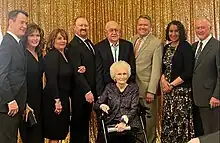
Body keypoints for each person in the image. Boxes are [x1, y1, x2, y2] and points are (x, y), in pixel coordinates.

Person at [160, 20, 194, 143]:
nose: (173, 34)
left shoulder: (186, 47)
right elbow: (162, 69)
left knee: (180, 123)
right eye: (171, 31)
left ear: (181, 32)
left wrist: (171, 85)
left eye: (176, 31)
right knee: (169, 122)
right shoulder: (166, 47)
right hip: (168, 93)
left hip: (181, 93)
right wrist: (164, 82)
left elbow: (188, 72)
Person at [130, 15, 162, 143]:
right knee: (134, 120)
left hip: (147, 89)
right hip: (132, 89)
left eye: (145, 25)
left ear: (150, 27)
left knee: (149, 121)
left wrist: (152, 91)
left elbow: (156, 69)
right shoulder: (132, 40)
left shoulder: (156, 43)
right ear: (137, 26)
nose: (142, 27)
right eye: (140, 25)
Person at [94, 61, 139, 143]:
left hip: (129, 122)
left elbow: (134, 109)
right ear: (114, 76)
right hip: (112, 121)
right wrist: (102, 106)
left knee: (125, 137)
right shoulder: (109, 88)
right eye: (119, 74)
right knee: (103, 138)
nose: (122, 77)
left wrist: (123, 122)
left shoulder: (134, 88)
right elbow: (96, 105)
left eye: (124, 74)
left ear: (128, 75)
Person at [0, 10, 28, 143]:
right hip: (7, 107)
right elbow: (1, 75)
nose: (24, 26)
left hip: (16, 105)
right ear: (11, 22)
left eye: (26, 23)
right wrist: (10, 100)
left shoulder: (17, 43)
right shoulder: (7, 44)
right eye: (21, 22)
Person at [68, 16, 96, 143]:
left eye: (85, 25)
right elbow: (76, 72)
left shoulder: (89, 43)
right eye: (80, 25)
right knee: (78, 124)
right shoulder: (73, 46)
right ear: (74, 28)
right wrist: (87, 91)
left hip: (89, 91)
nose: (83, 28)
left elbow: (90, 65)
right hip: (80, 93)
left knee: (85, 123)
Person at [43, 29, 72, 143]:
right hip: (54, 98)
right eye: (59, 38)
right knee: (55, 133)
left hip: (63, 97)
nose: (63, 41)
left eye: (64, 38)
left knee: (60, 132)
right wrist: (57, 100)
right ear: (53, 40)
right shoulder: (52, 55)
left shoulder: (65, 55)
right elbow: (52, 80)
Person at [192, 17, 220, 135]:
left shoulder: (217, 46)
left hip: (211, 99)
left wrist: (216, 96)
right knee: (201, 133)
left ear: (210, 28)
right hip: (195, 99)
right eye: (197, 28)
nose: (200, 30)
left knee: (212, 133)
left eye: (203, 27)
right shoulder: (194, 46)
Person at [95, 20, 136, 97]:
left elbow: (132, 69)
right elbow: (99, 72)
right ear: (106, 32)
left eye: (116, 30)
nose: (114, 33)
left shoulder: (128, 46)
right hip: (107, 90)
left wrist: (130, 89)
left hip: (125, 89)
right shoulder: (98, 48)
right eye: (111, 30)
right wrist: (100, 94)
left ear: (120, 32)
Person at [19, 23, 44, 143]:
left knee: (39, 136)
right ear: (26, 37)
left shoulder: (40, 54)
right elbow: (20, 80)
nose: (35, 38)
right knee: (30, 137)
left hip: (39, 100)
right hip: (27, 101)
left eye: (37, 35)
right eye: (31, 35)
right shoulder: (22, 55)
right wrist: (25, 104)